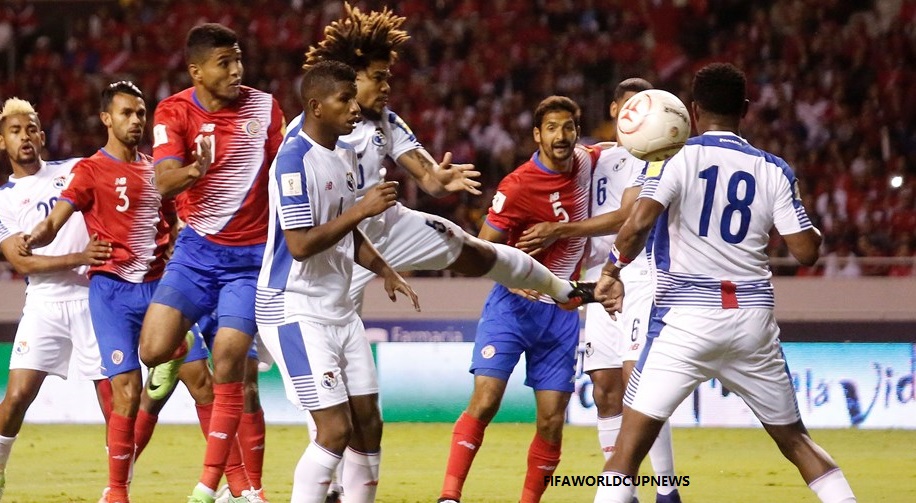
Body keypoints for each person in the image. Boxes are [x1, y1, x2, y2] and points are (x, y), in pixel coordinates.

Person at [593, 63, 856, 503]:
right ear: (746, 109)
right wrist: (811, 228)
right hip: (752, 321)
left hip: (684, 321)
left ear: (693, 111)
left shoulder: (673, 156)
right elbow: (807, 251)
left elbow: (636, 223)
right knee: (797, 443)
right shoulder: (773, 169)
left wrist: (610, 271)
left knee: (626, 452)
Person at [291, 3, 598, 315]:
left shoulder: (387, 121)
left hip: (389, 225)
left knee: (469, 247)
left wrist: (440, 178)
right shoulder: (309, 134)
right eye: (378, 78)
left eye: (387, 77)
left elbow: (428, 178)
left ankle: (561, 289)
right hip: (342, 243)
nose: (386, 87)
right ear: (349, 78)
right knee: (338, 328)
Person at [256, 60, 420, 503]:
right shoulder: (293, 161)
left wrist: (384, 268)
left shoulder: (343, 155)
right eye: (344, 99)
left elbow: (348, 229)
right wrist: (362, 209)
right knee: (333, 429)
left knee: (369, 422)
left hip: (338, 308)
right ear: (316, 105)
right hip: (293, 307)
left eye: (354, 97)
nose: (354, 108)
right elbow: (299, 244)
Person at [137, 23, 284, 503]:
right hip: (195, 256)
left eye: (239, 59)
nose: (237, 70)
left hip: (250, 261)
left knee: (231, 368)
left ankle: (226, 489)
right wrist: (194, 170)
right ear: (196, 70)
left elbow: (290, 171)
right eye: (225, 63)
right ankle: (180, 348)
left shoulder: (265, 109)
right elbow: (161, 183)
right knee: (152, 351)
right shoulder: (173, 111)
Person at [516, 78, 682, 503]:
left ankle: (666, 491)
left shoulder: (656, 158)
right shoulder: (595, 156)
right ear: (614, 110)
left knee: (637, 383)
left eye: (645, 108)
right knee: (605, 387)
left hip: (639, 273)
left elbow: (628, 218)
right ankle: (625, 494)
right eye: (629, 107)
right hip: (595, 278)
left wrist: (561, 228)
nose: (636, 116)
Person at [438, 96, 599, 503]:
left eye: (568, 128)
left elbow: (618, 148)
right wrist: (510, 280)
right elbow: (479, 248)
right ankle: (449, 496)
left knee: (550, 421)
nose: (560, 136)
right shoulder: (518, 185)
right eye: (551, 128)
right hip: (511, 308)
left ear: (577, 133)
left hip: (561, 312)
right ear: (536, 135)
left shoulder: (587, 162)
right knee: (487, 400)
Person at [25, 81, 181, 503]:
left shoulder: (156, 171)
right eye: (127, 113)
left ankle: (232, 487)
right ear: (106, 118)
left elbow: (174, 224)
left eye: (141, 114)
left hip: (159, 288)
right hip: (112, 292)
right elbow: (55, 220)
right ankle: (117, 493)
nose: (136, 121)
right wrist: (35, 236)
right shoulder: (91, 170)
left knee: (203, 379)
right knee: (126, 392)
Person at [0, 97, 113, 499]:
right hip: (44, 305)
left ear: (43, 136)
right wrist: (80, 256)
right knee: (15, 399)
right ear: (3, 142)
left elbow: (122, 171)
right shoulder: (5, 200)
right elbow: (23, 263)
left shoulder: (74, 170)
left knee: (112, 401)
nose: (25, 136)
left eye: (31, 128)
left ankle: (117, 488)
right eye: (15, 131)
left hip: (92, 298)